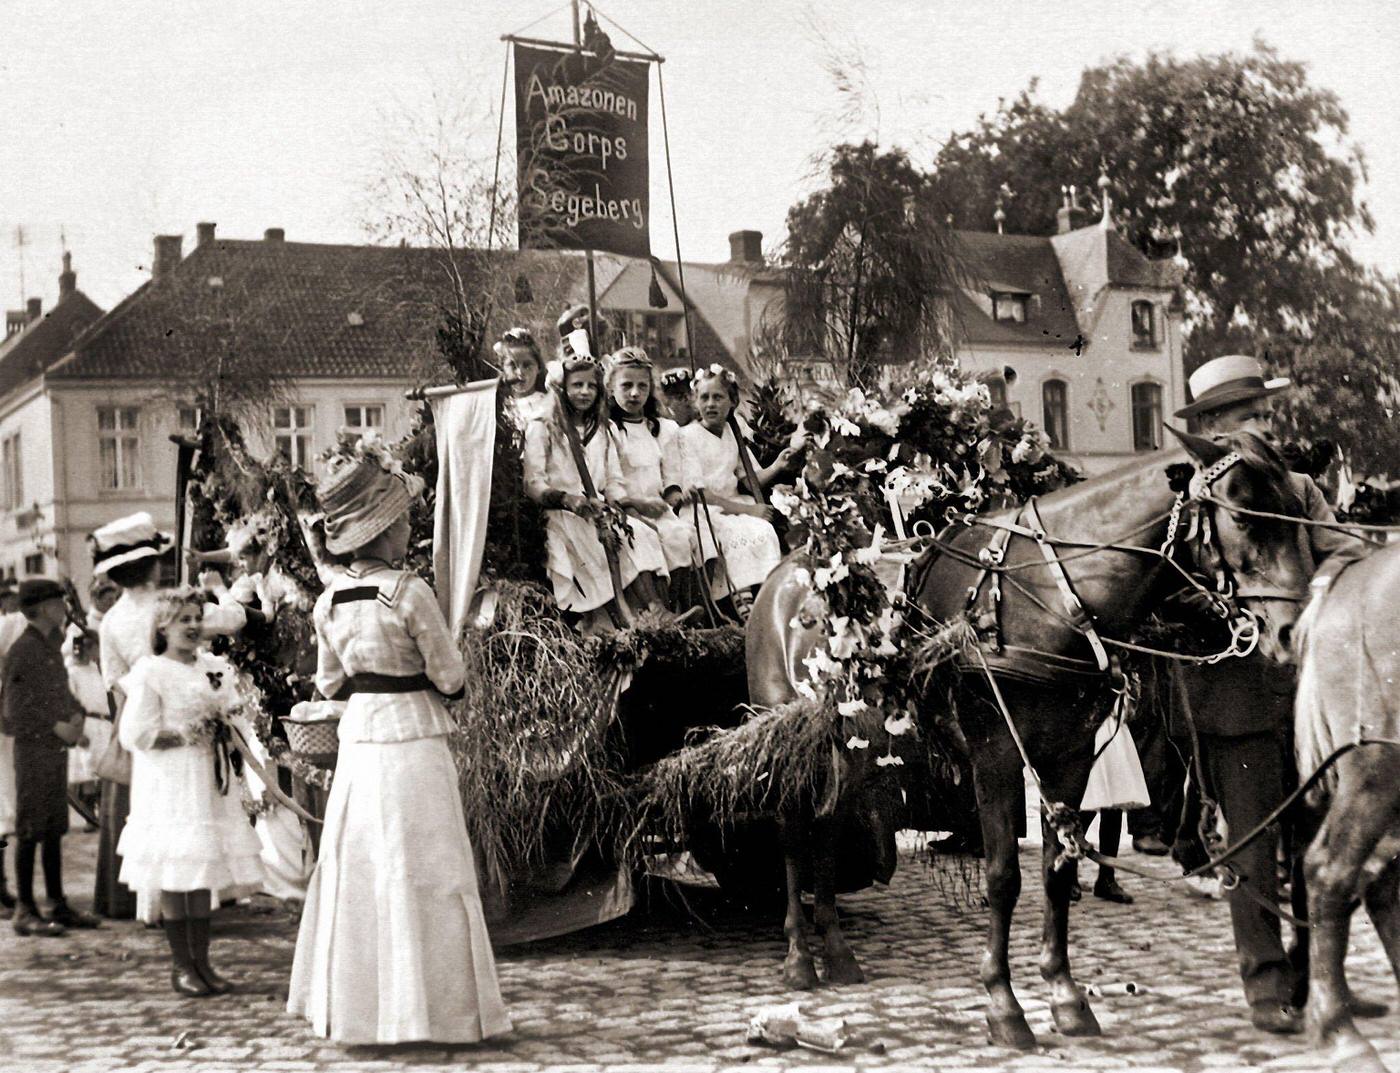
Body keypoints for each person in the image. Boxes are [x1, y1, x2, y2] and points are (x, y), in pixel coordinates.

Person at [1172, 354, 1373, 1035]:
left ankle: (1317, 972)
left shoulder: (1298, 488)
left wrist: (1317, 594)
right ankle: (1264, 984)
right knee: (1253, 845)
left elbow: (1345, 549)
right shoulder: (1192, 499)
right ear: (1217, 428)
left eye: (1263, 414)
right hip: (1233, 693)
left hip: (1307, 690)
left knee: (1318, 836)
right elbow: (1171, 589)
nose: (1263, 426)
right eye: (1248, 417)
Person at [287, 452, 511, 1044]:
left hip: (362, 736)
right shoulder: (410, 593)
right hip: (412, 733)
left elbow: (329, 683)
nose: (410, 531)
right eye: (405, 523)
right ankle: (435, 1012)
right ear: (384, 532)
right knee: (427, 862)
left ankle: (365, 1010)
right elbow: (451, 678)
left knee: (364, 863)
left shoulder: (328, 602)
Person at [92, 512, 246, 920]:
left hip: (141, 717)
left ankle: (154, 908)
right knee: (189, 817)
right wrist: (222, 589)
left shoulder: (110, 620)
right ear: (152, 565)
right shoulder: (170, 606)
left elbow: (113, 679)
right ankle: (194, 906)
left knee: (156, 814)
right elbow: (233, 620)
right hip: (181, 714)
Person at [118, 589, 264, 995]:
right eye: (183, 619)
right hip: (169, 782)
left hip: (206, 780)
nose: (193, 626)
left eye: (197, 617)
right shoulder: (151, 671)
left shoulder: (214, 667)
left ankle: (203, 963)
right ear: (163, 626)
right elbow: (136, 734)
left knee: (201, 871)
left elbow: (235, 713)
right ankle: (182, 966)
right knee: (175, 868)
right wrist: (184, 734)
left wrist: (228, 726)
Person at [523, 353, 669, 627]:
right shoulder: (543, 427)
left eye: (591, 385)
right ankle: (626, 620)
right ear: (562, 388)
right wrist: (568, 500)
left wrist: (628, 504)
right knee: (597, 541)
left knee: (643, 533)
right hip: (559, 514)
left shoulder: (603, 428)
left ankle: (656, 611)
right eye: (577, 385)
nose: (585, 392)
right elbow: (533, 483)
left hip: (598, 509)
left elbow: (612, 481)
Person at [2, 578, 100, 937]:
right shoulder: (24, 650)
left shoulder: (47, 645)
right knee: (30, 829)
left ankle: (57, 902)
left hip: (53, 750)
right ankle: (25, 909)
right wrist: (57, 726)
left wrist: (75, 717)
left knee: (55, 827)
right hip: (33, 751)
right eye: (59, 604)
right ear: (44, 608)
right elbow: (14, 710)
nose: (64, 609)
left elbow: (60, 691)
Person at [677, 365, 793, 612]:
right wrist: (746, 510)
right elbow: (699, 492)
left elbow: (750, 478)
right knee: (735, 532)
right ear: (695, 402)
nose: (711, 404)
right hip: (704, 509)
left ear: (732, 401)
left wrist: (777, 466)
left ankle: (765, 597)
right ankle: (742, 603)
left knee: (763, 529)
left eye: (718, 397)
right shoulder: (687, 436)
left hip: (733, 504)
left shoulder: (732, 432)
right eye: (704, 398)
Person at [606, 347, 701, 607]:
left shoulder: (660, 428)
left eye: (642, 386)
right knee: (643, 537)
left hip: (656, 507)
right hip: (624, 510)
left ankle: (678, 608)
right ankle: (654, 611)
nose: (635, 393)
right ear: (611, 387)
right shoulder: (609, 430)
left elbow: (669, 479)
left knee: (679, 536)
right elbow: (609, 481)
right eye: (626, 386)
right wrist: (635, 506)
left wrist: (674, 496)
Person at [496, 327, 554, 427]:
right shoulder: (500, 406)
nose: (520, 372)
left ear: (538, 367)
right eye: (513, 366)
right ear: (502, 369)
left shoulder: (549, 403)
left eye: (527, 365)